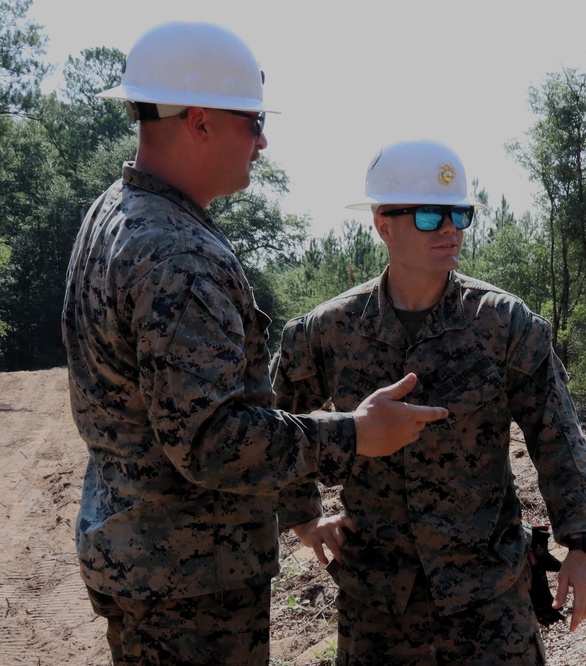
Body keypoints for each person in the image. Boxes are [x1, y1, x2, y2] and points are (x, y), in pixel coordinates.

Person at [61, 23, 447, 666]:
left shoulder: (116, 213)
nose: (263, 141)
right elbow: (210, 441)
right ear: (201, 120)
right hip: (190, 583)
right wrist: (355, 434)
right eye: (254, 121)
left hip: (139, 556)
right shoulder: (177, 254)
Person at [270, 139, 586, 665]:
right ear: (383, 225)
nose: (450, 228)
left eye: (460, 214)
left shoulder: (504, 323)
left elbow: (558, 437)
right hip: (378, 604)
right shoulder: (328, 330)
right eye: (430, 215)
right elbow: (274, 425)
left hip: (488, 596)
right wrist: (303, 516)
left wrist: (585, 546)